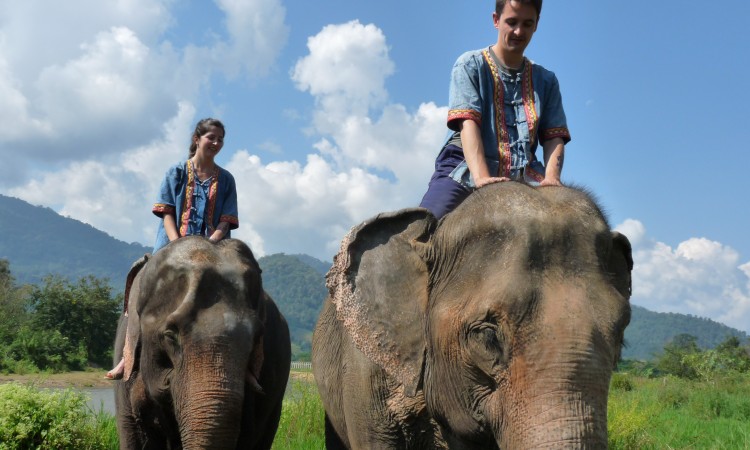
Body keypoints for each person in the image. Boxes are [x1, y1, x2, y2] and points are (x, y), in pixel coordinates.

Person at [106, 118, 239, 379]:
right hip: (171, 247)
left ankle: (246, 361)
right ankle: (129, 355)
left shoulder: (226, 180)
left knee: (241, 289)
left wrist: (209, 244)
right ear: (197, 139)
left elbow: (226, 219)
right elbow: (167, 212)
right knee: (141, 287)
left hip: (214, 249)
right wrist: (179, 244)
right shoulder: (176, 172)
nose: (216, 143)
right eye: (211, 137)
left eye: (220, 139)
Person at [419, 0, 570, 219]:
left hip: (524, 174)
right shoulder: (469, 65)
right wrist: (481, 178)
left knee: (568, 226)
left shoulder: (547, 81)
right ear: (496, 20)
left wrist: (552, 179)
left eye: (527, 24)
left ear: (537, 24)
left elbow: (553, 137)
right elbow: (468, 123)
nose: (519, 31)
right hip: (465, 170)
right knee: (424, 226)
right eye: (512, 22)